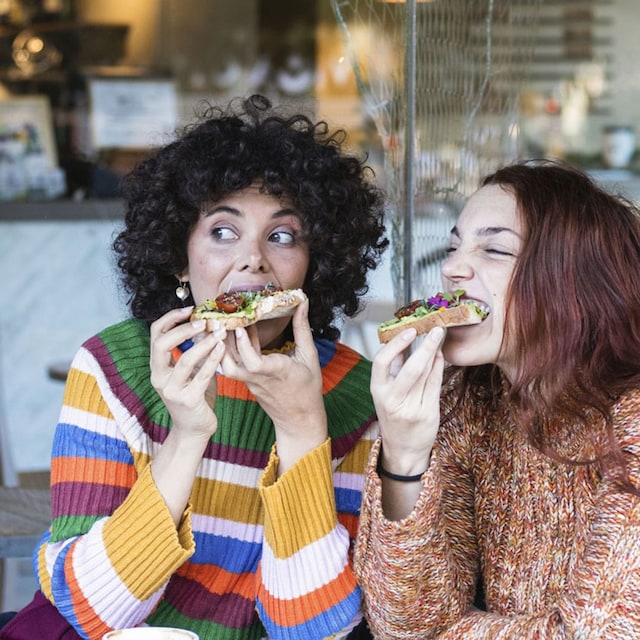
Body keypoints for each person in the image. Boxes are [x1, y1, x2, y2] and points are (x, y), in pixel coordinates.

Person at [1, 94, 387, 640]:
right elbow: (89, 612)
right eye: (223, 232)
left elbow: (314, 632)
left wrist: (302, 429)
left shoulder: (355, 394)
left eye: (282, 235)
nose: (252, 258)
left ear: (313, 264)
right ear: (180, 257)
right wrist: (186, 438)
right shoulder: (115, 368)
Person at [355, 159, 640, 638]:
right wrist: (404, 451)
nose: (451, 267)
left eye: (493, 249)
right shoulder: (465, 400)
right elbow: (401, 625)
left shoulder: (630, 418)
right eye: (453, 245)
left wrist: (448, 631)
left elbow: (595, 632)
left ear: (574, 278)